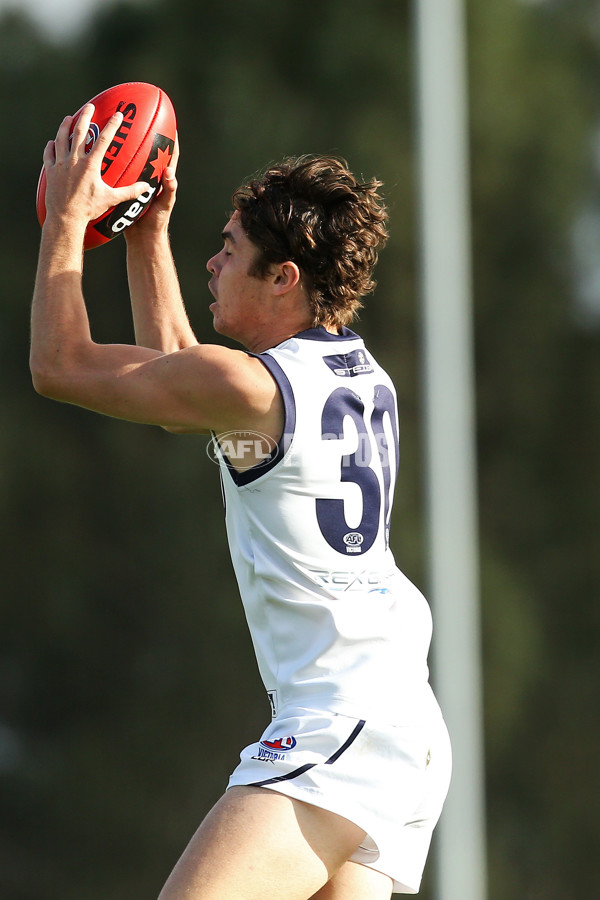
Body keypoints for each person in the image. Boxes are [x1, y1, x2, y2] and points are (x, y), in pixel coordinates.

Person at [30, 105, 451, 900]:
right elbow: (180, 384)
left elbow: (60, 365)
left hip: (340, 722)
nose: (213, 267)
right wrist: (148, 233)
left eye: (229, 253)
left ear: (284, 277)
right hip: (400, 724)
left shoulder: (253, 384)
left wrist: (66, 219)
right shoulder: (356, 370)